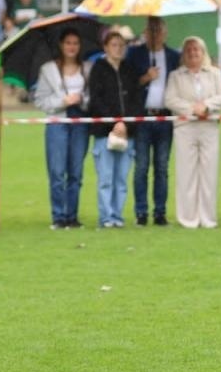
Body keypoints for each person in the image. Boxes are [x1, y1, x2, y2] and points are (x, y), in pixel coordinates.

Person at [163, 34, 221, 230]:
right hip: (185, 128)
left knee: (209, 173)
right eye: (189, 50)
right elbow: (170, 100)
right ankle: (188, 218)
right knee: (186, 173)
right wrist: (192, 108)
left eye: (196, 49)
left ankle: (208, 218)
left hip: (209, 126)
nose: (193, 53)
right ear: (183, 54)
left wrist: (206, 106)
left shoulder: (215, 74)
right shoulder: (176, 76)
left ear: (203, 52)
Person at [124, 16, 182, 227]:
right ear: (145, 33)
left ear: (165, 33)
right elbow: (128, 85)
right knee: (141, 167)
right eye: (151, 31)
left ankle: (160, 212)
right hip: (142, 117)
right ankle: (141, 212)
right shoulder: (134, 54)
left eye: (159, 31)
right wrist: (145, 78)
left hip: (164, 118)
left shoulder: (174, 56)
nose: (156, 35)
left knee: (162, 167)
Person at [34, 27, 91, 230]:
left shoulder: (88, 68)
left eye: (75, 43)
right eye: (68, 43)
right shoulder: (48, 69)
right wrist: (63, 101)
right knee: (57, 172)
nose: (72, 47)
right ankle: (58, 216)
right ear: (61, 45)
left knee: (76, 172)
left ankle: (72, 216)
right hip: (57, 122)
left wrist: (82, 99)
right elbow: (40, 100)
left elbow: (94, 97)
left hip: (80, 122)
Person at [86, 28, 142, 229]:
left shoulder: (130, 69)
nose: (118, 49)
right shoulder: (98, 69)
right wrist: (114, 123)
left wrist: (127, 124)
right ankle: (106, 216)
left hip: (127, 133)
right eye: (114, 45)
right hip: (104, 132)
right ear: (106, 47)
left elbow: (137, 99)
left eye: (121, 45)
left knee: (121, 178)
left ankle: (118, 215)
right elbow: (96, 100)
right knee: (106, 178)